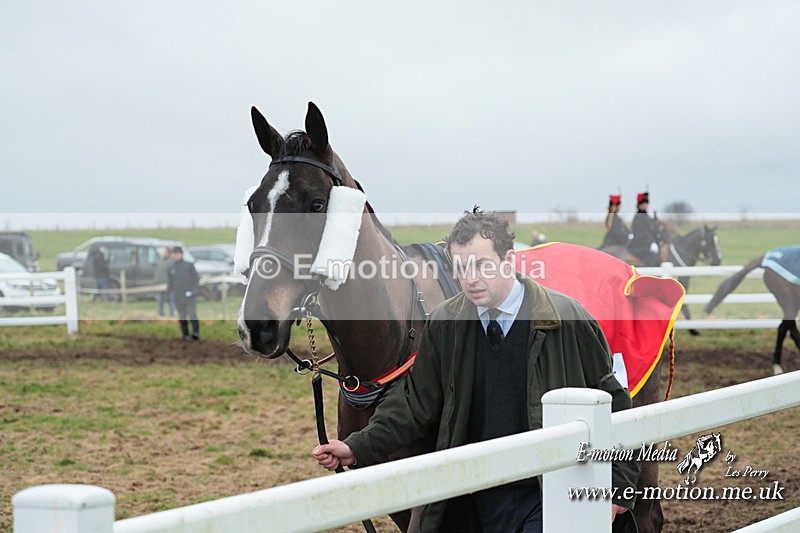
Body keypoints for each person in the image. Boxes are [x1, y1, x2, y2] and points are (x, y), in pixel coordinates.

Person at [312, 210, 639, 533]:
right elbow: (414, 403)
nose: (470, 278)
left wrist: (620, 486)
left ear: (508, 260)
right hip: (474, 497)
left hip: (546, 490)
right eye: (461, 267)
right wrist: (357, 447)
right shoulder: (445, 323)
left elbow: (613, 401)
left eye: (482, 265)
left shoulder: (567, 318)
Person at [167, 246, 200, 340]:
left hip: (189, 295)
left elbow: (195, 279)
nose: (176, 256)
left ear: (181, 254)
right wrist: (169, 294)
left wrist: (193, 291)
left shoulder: (189, 265)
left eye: (178, 254)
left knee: (192, 314)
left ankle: (195, 333)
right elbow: (170, 283)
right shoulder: (171, 268)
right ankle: (185, 334)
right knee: (182, 315)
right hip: (178, 296)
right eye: (174, 254)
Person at [627, 191, 662, 267]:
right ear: (639, 205)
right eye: (644, 203)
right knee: (652, 258)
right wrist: (651, 243)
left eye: (646, 203)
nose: (646, 205)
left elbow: (652, 230)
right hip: (640, 245)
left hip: (647, 243)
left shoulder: (646, 216)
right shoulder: (638, 216)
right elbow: (642, 233)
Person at [154, 246, 175, 317]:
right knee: (160, 300)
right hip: (160, 284)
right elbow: (158, 272)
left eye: (165, 252)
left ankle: (172, 313)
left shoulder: (172, 262)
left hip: (169, 284)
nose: (164, 253)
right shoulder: (161, 261)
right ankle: (160, 313)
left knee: (171, 299)